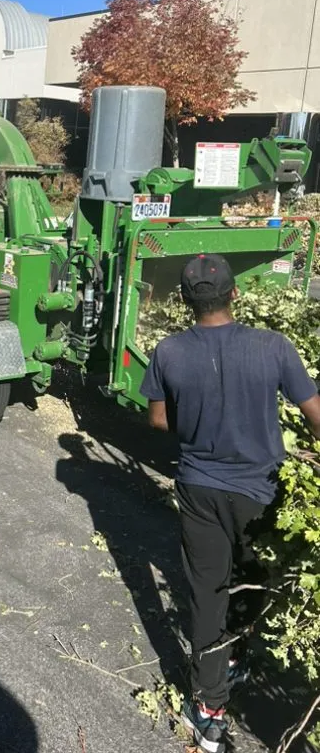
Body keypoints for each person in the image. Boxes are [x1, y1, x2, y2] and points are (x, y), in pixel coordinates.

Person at [141, 253, 320, 753]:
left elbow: (157, 421)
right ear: (235, 294)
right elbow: (315, 414)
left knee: (207, 591)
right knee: (254, 577)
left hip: (199, 488)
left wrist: (196, 422)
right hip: (259, 492)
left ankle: (208, 707)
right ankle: (236, 657)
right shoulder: (273, 346)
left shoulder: (168, 352)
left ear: (184, 301)